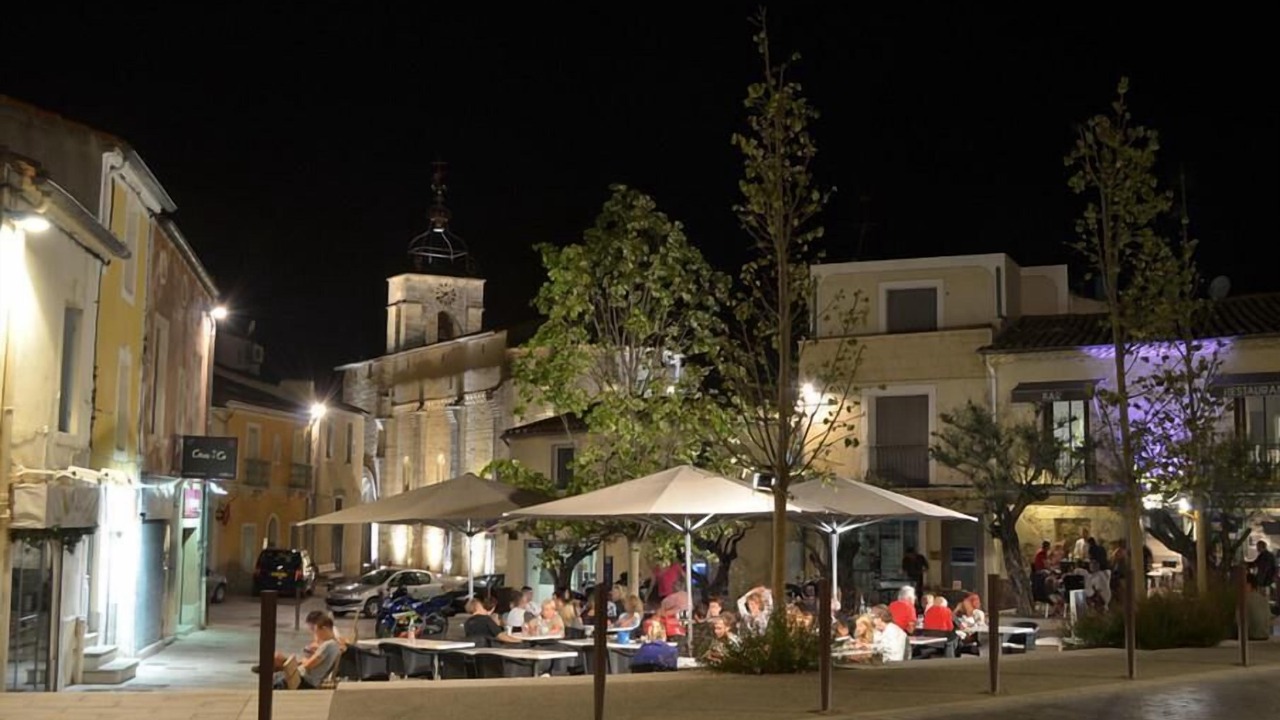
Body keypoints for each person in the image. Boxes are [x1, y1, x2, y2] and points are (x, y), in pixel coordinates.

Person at [270, 613, 343, 689]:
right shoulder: (334, 644)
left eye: (315, 630)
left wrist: (304, 660)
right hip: (303, 677)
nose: (315, 634)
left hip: (305, 680)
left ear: (324, 629)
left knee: (277, 679)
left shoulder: (328, 645)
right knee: (277, 674)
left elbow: (308, 665)